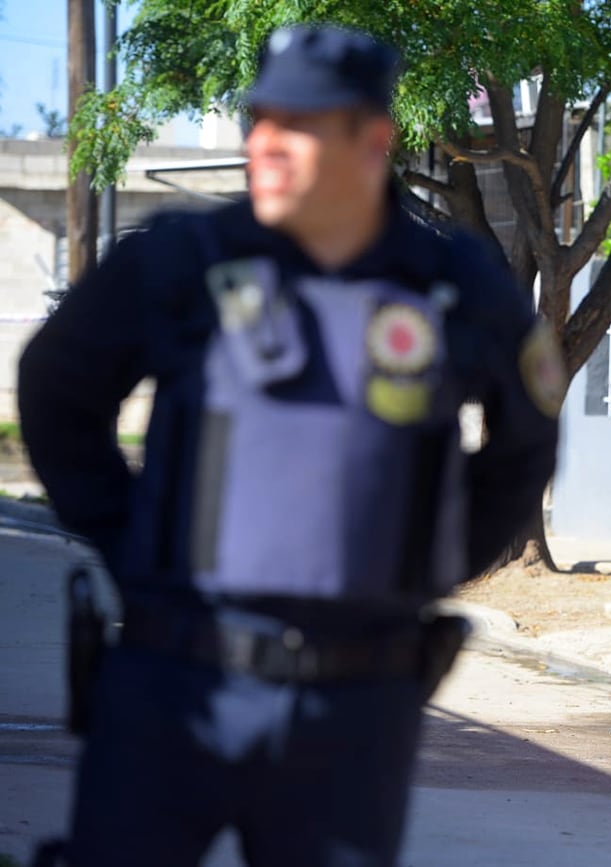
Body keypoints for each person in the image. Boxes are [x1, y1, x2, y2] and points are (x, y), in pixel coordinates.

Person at [19, 23, 560, 867]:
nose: (265, 144)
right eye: (259, 120)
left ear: (372, 139)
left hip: (354, 707)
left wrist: (424, 567)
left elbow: (525, 444)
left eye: (298, 126)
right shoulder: (180, 261)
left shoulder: (454, 286)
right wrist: (133, 544)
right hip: (171, 685)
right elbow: (57, 393)